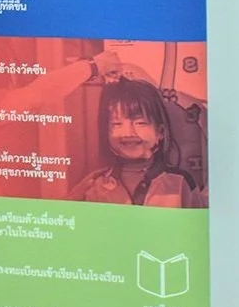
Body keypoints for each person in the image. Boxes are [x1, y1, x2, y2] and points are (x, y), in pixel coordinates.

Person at [71, 74, 205, 207]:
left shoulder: (181, 183)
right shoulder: (95, 184)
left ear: (160, 132)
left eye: (140, 123)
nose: (128, 133)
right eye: (117, 124)